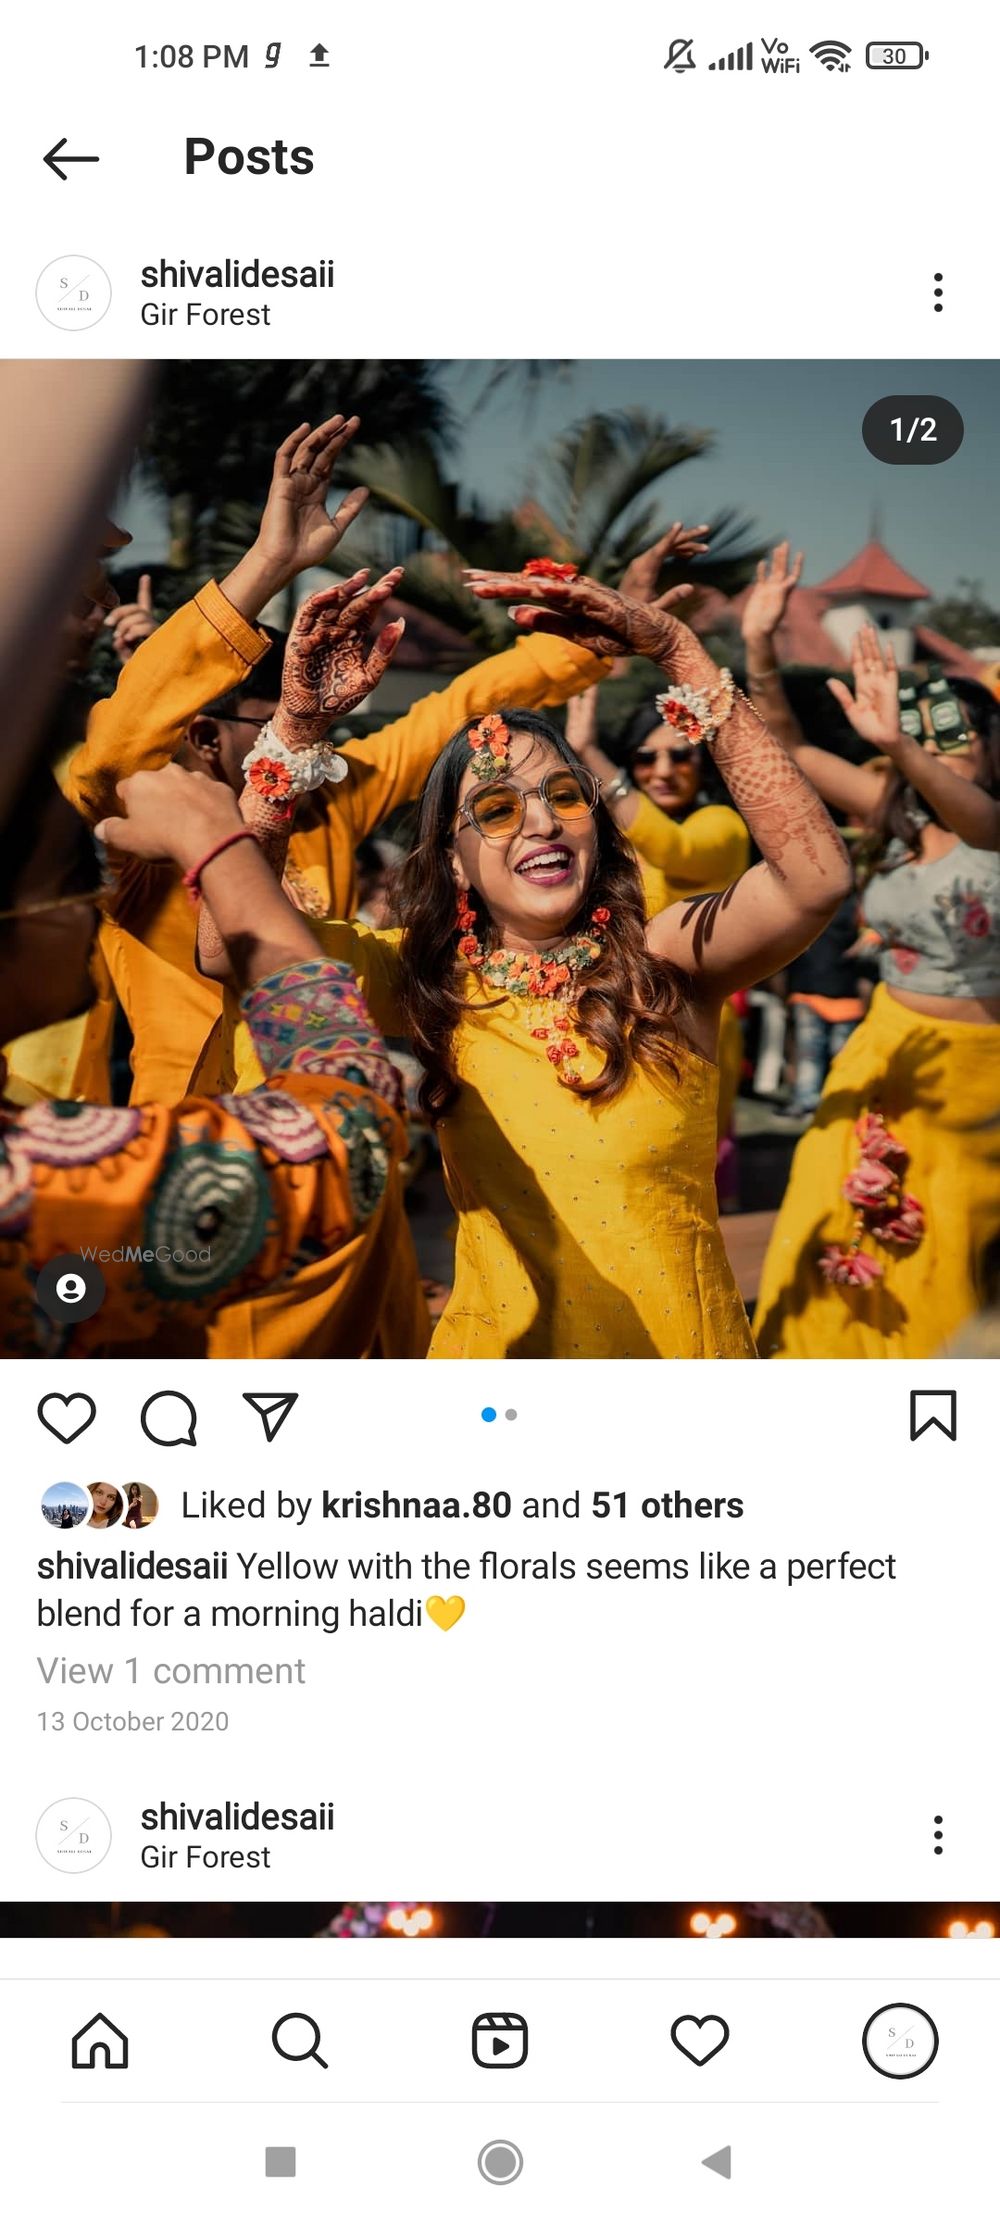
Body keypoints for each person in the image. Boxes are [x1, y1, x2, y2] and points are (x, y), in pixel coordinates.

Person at [276, 565, 851, 1358]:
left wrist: (679, 651)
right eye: (500, 809)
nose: (541, 823)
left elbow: (817, 877)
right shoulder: (425, 979)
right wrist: (296, 736)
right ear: (452, 861)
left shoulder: (667, 956)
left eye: (565, 796)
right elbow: (231, 944)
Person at [62, 417, 627, 1110]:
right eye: (272, 718)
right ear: (206, 735)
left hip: (341, 1129)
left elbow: (454, 709)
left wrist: (587, 644)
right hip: (198, 1150)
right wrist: (268, 563)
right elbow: (118, 743)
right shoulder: (143, 820)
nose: (298, 727)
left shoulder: (331, 796)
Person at [0, 580, 412, 1361]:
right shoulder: (49, 1180)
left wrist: (288, 732)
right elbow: (350, 1126)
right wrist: (215, 845)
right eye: (73, 862)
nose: (97, 889)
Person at [746, 577, 1000, 1357]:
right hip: (883, 1054)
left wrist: (898, 747)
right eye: (923, 728)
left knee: (949, 1252)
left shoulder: (990, 825)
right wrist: (759, 650)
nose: (936, 740)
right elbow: (790, 750)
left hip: (977, 1084)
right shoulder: (893, 812)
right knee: (825, 1220)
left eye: (954, 729)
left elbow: (982, 825)